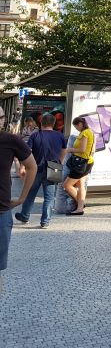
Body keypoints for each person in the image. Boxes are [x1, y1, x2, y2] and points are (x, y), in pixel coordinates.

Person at [0, 106, 37, 282]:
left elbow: (32, 166)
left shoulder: (11, 140)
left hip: (1, 212)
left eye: (0, 117)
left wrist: (23, 198)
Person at [15, 113, 67, 228]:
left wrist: (23, 166)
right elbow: (64, 151)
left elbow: (27, 152)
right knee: (49, 197)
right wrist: (59, 163)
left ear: (41, 123)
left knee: (30, 194)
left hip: (36, 169)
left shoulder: (35, 136)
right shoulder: (60, 136)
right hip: (53, 168)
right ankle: (45, 221)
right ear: (53, 124)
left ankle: (24, 216)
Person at [62, 116, 95, 215]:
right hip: (88, 162)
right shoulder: (90, 132)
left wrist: (69, 149)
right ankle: (80, 207)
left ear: (80, 124)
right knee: (81, 185)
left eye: (76, 127)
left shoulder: (85, 133)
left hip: (80, 163)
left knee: (67, 185)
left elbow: (82, 149)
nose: (76, 129)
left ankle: (80, 206)